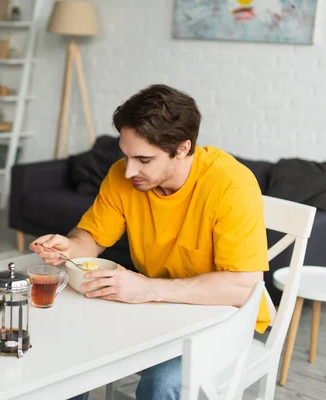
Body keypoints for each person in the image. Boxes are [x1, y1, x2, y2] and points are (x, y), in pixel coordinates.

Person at [30, 84, 270, 400]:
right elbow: (91, 238)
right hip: (155, 312)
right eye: (126, 155)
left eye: (143, 159)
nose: (130, 170)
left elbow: (243, 286)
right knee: (69, 348)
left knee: (162, 381)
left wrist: (146, 289)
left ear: (183, 148)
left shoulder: (230, 185)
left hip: (227, 318)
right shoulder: (123, 174)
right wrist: (68, 247)